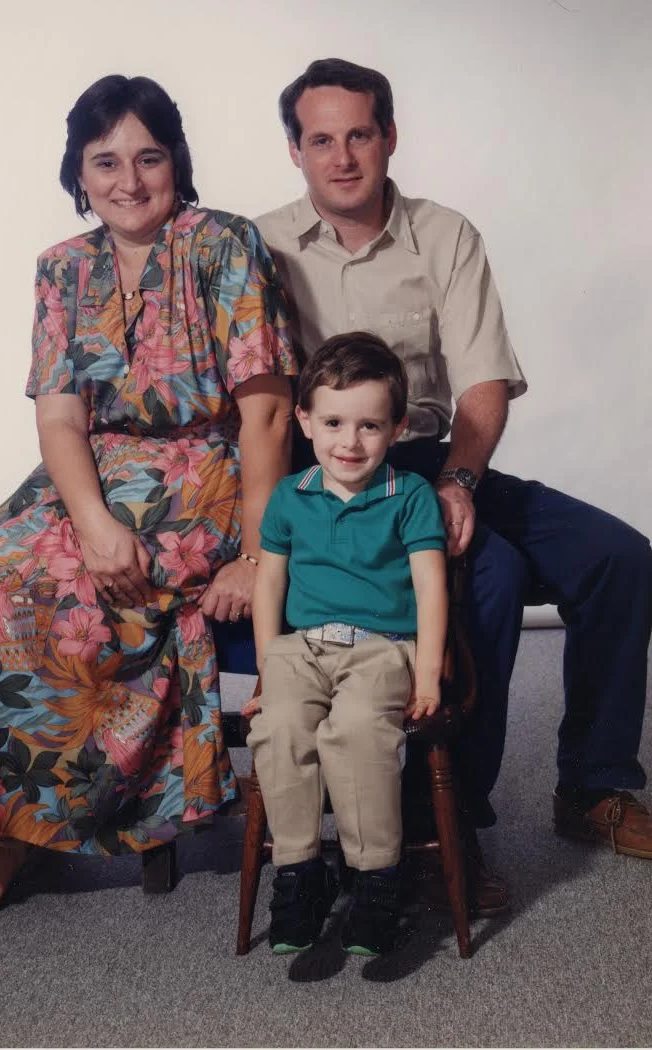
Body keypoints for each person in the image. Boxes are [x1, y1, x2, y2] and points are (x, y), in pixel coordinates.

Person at [255, 58, 652, 911]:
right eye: (321, 139)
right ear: (295, 151)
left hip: (433, 454)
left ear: (389, 136)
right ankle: (449, 821)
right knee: (496, 575)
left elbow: (480, 383)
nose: (343, 156)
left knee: (619, 556)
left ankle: (593, 784)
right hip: (328, 474)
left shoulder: (445, 234)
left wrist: (462, 481)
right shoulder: (261, 246)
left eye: (360, 133)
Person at [0, 74, 297, 924]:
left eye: (149, 157)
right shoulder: (63, 268)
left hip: (206, 475)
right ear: (78, 173)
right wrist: (91, 521)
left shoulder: (224, 244)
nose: (129, 181)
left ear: (176, 163)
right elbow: (59, 418)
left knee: (20, 596)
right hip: (91, 471)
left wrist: (257, 549)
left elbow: (267, 411)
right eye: (106, 161)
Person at [245, 332, 448, 956]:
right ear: (305, 420)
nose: (349, 442)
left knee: (356, 730)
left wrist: (429, 676)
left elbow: (431, 588)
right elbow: (269, 583)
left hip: (383, 649)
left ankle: (375, 880)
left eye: (368, 425)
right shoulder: (289, 497)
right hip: (301, 650)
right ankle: (300, 875)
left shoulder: (408, 497)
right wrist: (267, 672)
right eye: (333, 422)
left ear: (398, 427)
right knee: (279, 730)